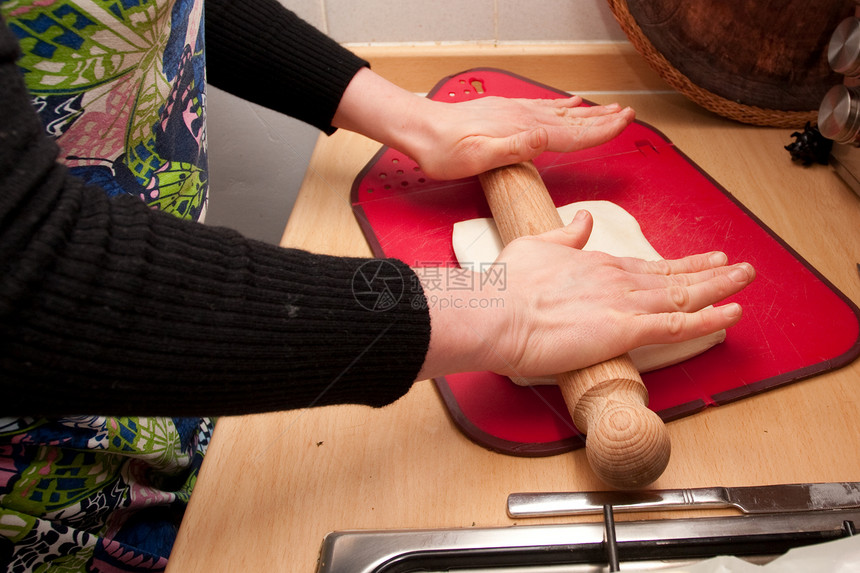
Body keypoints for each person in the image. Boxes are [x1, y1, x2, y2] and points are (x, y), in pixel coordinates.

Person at [0, 0, 755, 570]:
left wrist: (410, 118)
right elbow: (26, 275)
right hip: (42, 490)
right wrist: (494, 306)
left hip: (184, 372)